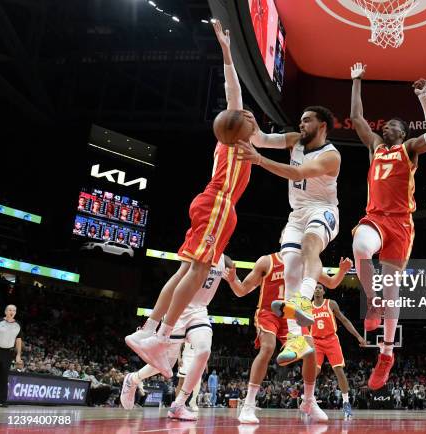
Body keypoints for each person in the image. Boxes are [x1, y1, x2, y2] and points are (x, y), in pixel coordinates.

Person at [123, 19, 257, 378]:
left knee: (187, 269)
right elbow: (234, 98)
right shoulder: (236, 142)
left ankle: (150, 330)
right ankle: (163, 337)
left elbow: (234, 96)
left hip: (215, 205)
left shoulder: (239, 140)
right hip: (217, 204)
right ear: (237, 126)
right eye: (246, 116)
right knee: (197, 271)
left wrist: (228, 52)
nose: (249, 114)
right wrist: (226, 57)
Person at [349, 62, 426, 390]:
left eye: (390, 126)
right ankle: (371, 300)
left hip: (401, 223)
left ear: (401, 132)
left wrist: (424, 98)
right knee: (360, 246)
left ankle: (386, 354)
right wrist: (357, 80)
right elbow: (357, 119)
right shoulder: (375, 147)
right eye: (384, 126)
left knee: (393, 288)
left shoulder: (409, 148)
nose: (385, 128)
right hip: (375, 218)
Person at [236, 105, 340, 366]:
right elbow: (261, 140)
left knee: (309, 246)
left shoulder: (331, 156)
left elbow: (296, 173)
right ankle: (297, 338)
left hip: (323, 209)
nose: (301, 124)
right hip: (297, 213)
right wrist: (252, 126)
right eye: (301, 120)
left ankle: (303, 300)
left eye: (307, 121)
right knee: (291, 264)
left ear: (322, 126)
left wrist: (259, 160)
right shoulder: (294, 140)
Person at [225, 253, 351, 423]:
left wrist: (342, 271)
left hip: (292, 315)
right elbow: (241, 291)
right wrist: (233, 280)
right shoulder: (267, 261)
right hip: (269, 313)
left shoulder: (306, 262)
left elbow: (332, 283)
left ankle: (308, 401)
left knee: (309, 350)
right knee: (268, 347)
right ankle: (248, 405)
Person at [121, 254, 244, 420]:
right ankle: (133, 379)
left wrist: (232, 280)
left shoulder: (227, 260)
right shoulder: (199, 249)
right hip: (178, 310)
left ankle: (179, 404)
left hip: (199, 311)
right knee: (167, 364)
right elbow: (178, 277)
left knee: (204, 351)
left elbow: (239, 291)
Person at [311, 282, 366, 420]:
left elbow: (344, 320)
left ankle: (346, 403)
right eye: (315, 288)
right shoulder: (307, 306)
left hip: (331, 340)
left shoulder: (331, 304)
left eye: (320, 288)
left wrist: (358, 336)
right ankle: (309, 400)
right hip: (315, 341)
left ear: (323, 292)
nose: (317, 290)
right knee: (314, 371)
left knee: (339, 371)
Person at [0, 305, 22, 407]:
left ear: (15, 313)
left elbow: (18, 340)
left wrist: (18, 355)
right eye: (9, 310)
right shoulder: (0, 322)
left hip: (8, 352)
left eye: (14, 310)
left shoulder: (18, 325)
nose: (11, 311)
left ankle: (2, 400)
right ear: (5, 312)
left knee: (4, 377)